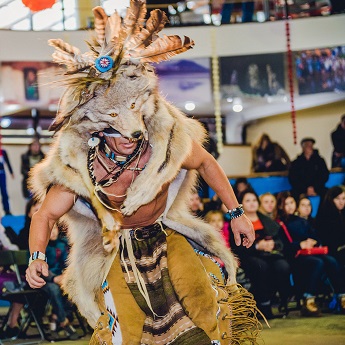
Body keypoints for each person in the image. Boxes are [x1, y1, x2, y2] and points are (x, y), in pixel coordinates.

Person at [25, 3, 257, 344]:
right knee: (126, 330)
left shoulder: (164, 141)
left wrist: (236, 213)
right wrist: (36, 257)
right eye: (116, 130)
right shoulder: (81, 168)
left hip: (167, 235)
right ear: (99, 131)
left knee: (202, 301)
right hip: (114, 248)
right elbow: (44, 215)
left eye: (134, 127)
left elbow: (207, 162)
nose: (129, 138)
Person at [276, 191, 345, 316]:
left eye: (292, 202)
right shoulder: (279, 223)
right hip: (294, 256)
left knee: (331, 260)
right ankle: (308, 299)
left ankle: (341, 296)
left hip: (310, 252)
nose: (290, 206)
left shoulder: (300, 220)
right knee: (317, 263)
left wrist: (313, 241)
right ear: (280, 206)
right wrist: (300, 245)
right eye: (286, 204)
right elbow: (282, 246)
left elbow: (315, 236)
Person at [229, 190, 291, 319]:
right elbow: (236, 247)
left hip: (270, 255)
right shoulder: (238, 222)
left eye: (254, 200)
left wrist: (272, 245)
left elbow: (280, 241)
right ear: (241, 205)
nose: (252, 203)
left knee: (283, 266)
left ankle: (280, 299)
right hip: (248, 255)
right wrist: (257, 246)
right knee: (261, 267)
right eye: (248, 201)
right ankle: (264, 305)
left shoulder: (267, 220)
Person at [40, 224, 79, 340]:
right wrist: (53, 278)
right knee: (54, 288)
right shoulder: (40, 246)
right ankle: (64, 321)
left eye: (54, 229)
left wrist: (66, 275)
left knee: (74, 287)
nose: (52, 232)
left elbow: (67, 264)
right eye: (49, 229)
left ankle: (55, 318)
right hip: (42, 280)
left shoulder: (62, 245)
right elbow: (38, 267)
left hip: (59, 277)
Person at [316, 186, 345, 266]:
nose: (341, 202)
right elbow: (330, 241)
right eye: (337, 199)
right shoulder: (325, 216)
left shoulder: (343, 213)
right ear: (331, 199)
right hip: (333, 250)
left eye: (343, 199)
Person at [0, 148, 14, 215]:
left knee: (4, 192)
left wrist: (11, 172)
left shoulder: (3, 152)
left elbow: (8, 162)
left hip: (2, 173)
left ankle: (7, 209)